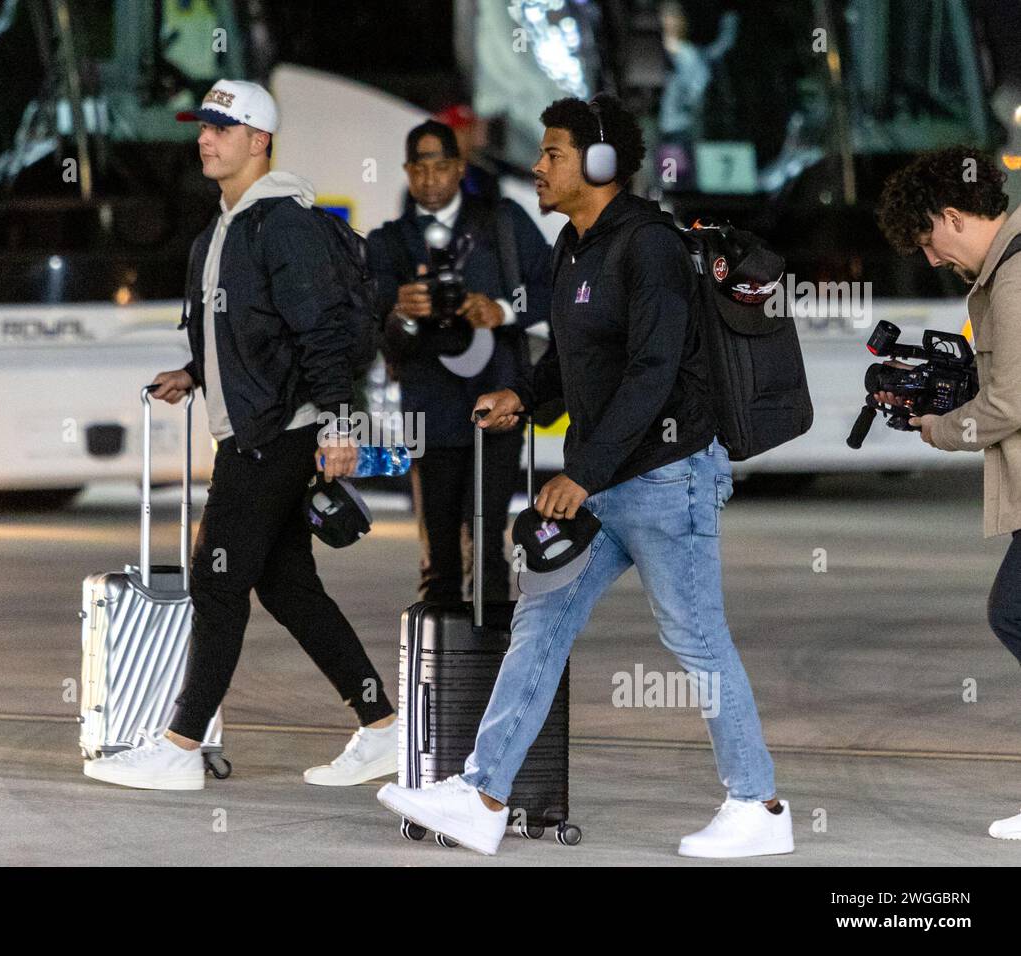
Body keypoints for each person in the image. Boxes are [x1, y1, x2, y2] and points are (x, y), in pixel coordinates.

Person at [377, 94, 791, 858]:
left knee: (696, 640)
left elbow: (653, 369)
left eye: (554, 153)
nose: (537, 166)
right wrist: (524, 397)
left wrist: (583, 473)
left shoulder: (652, 248)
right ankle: (482, 795)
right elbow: (573, 359)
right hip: (604, 483)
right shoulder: (572, 244)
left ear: (599, 163)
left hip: (668, 478)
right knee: (540, 623)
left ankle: (759, 806)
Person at [85, 79, 397, 791]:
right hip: (260, 429)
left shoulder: (282, 222)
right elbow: (252, 332)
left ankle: (180, 746)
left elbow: (321, 331)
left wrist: (339, 422)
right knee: (288, 587)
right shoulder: (221, 231)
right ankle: (382, 725)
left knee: (217, 581)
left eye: (222, 128)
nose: (205, 138)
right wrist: (196, 373)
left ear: (260, 140)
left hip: (276, 435)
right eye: (202, 127)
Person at [874, 146, 1021, 840]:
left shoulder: (1016, 278)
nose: (930, 259)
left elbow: (1011, 405)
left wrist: (941, 429)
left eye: (928, 241)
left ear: (954, 216)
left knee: (1013, 613)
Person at [367, 119, 550, 603]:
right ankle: (438, 661)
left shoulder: (503, 222)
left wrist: (502, 309)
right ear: (407, 172)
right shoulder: (387, 243)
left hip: (498, 401)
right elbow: (362, 318)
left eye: (441, 167)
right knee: (438, 551)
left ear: (459, 168)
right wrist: (400, 310)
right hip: (428, 407)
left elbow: (553, 285)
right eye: (420, 169)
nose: (430, 181)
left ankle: (493, 659)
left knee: (490, 539)